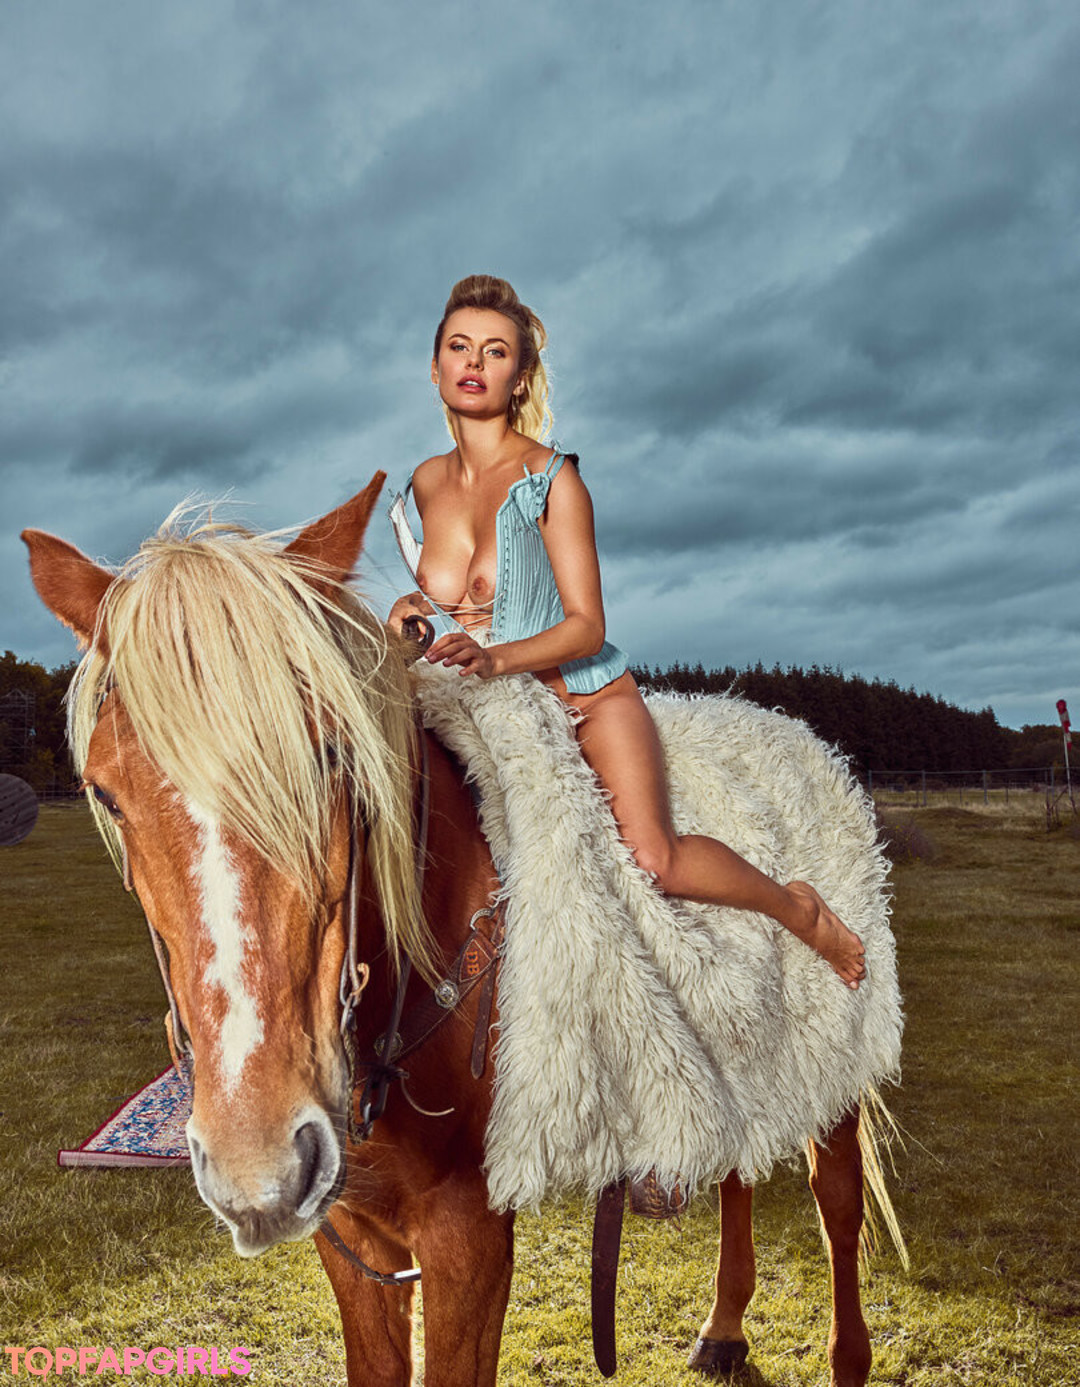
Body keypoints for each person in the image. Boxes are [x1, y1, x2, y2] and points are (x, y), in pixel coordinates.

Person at [388, 275, 866, 989]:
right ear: (435, 369)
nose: (474, 363)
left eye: (496, 351)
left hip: (582, 692)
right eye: (460, 347)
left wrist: (494, 657)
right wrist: (413, 616)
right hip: (481, 700)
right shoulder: (426, 482)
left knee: (654, 858)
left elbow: (587, 627)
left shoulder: (554, 479)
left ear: (520, 378)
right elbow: (448, 600)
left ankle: (799, 910)